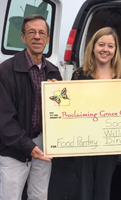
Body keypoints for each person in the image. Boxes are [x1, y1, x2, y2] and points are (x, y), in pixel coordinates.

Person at [0, 14, 62, 200]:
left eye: (42, 33)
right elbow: (4, 118)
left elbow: (60, 112)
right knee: (11, 196)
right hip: (13, 149)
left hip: (43, 143)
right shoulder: (6, 70)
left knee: (39, 195)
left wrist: (58, 96)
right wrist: (27, 146)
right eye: (31, 32)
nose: (37, 37)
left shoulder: (53, 71)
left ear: (48, 39)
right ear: (23, 37)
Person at [71, 27, 121, 200]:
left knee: (103, 189)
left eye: (110, 46)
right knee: (84, 188)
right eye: (101, 44)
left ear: (115, 50)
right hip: (83, 141)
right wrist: (54, 94)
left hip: (109, 142)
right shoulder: (79, 75)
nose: (105, 49)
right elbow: (68, 108)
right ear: (93, 47)